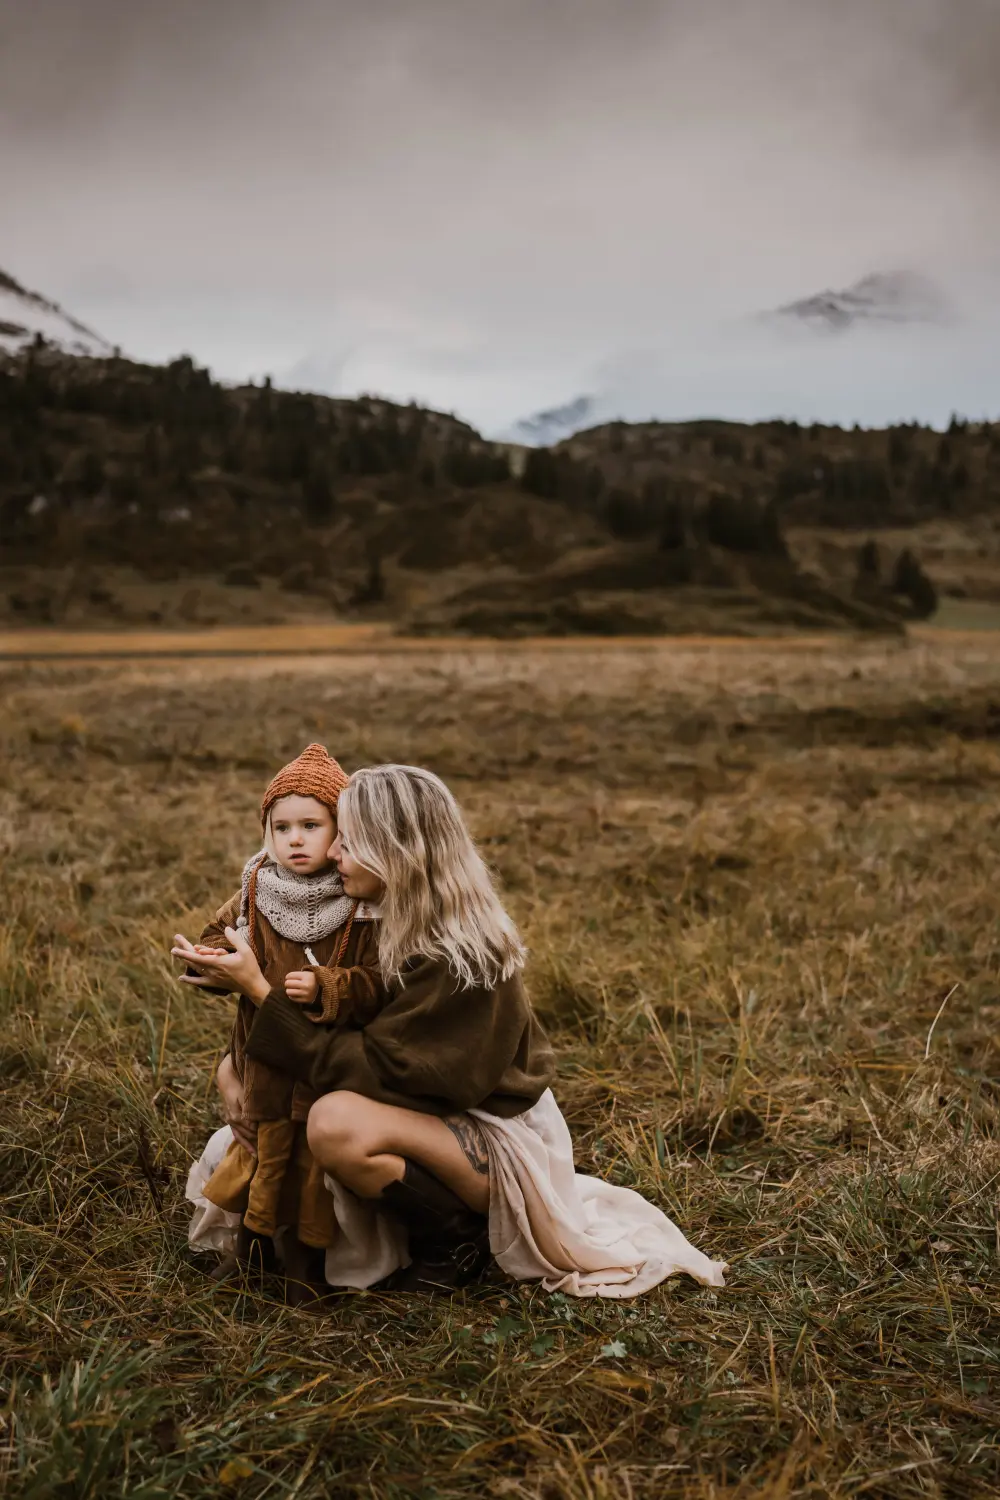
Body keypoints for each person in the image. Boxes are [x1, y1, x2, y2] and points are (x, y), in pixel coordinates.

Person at [184, 764, 727, 1297]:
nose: (330, 854)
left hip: (485, 1127)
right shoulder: (378, 912)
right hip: (410, 1110)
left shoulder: (459, 953)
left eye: (346, 841)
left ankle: (455, 1242)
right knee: (243, 1147)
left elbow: (378, 1074)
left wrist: (261, 993)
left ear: (393, 850)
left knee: (333, 1125)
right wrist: (232, 1068)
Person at [172, 743, 383, 1301]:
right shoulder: (254, 888)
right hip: (263, 1057)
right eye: (281, 826)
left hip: (319, 1061)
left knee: (310, 1169)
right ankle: (250, 1253)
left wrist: (328, 985)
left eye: (311, 825)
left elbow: (375, 979)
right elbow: (221, 937)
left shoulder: (361, 898)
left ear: (341, 831)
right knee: (257, 1155)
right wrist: (210, 963)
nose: (294, 839)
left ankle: (306, 1264)